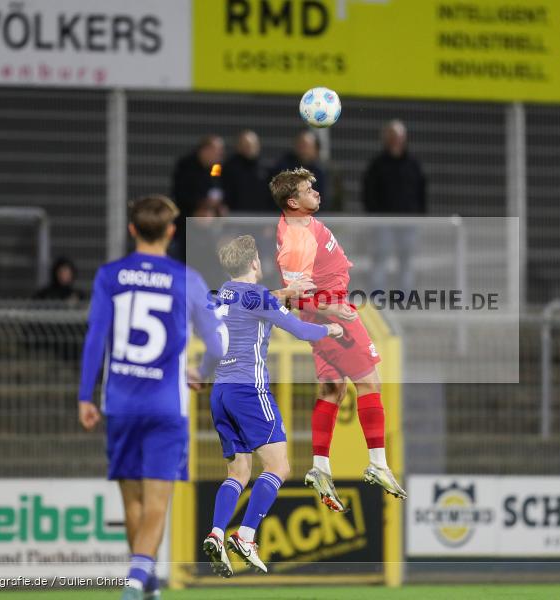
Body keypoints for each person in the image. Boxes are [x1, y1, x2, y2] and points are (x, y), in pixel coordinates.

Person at [77, 195, 228, 600]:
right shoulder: (187, 279)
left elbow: (95, 338)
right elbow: (215, 343)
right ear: (171, 232)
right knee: (159, 501)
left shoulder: (110, 275)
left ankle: (148, 585)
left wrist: (84, 396)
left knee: (134, 502)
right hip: (166, 404)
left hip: (121, 403)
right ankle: (134, 585)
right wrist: (204, 372)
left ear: (131, 230)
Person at [200, 235, 343, 577]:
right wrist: (332, 329)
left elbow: (252, 306)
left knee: (238, 472)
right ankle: (246, 536)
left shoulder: (219, 295)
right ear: (254, 264)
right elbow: (300, 331)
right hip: (250, 389)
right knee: (279, 468)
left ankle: (216, 533)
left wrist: (284, 295)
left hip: (220, 392)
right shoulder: (259, 296)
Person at [271, 167, 407, 512]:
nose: (315, 193)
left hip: (331, 310)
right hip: (333, 317)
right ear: (292, 201)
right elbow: (293, 296)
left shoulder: (302, 226)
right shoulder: (295, 242)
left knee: (333, 389)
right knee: (370, 383)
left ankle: (320, 467)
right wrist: (334, 312)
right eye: (307, 190)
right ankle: (377, 464)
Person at [362, 119, 427, 293]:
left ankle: (404, 299)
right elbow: (369, 191)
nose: (395, 140)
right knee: (380, 259)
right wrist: (374, 214)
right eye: (391, 136)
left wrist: (419, 213)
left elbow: (421, 190)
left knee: (406, 261)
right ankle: (377, 298)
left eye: (398, 136)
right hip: (383, 221)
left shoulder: (413, 164)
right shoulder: (377, 165)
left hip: (408, 221)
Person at [169, 135, 226, 261]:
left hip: (209, 226)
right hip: (186, 225)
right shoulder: (186, 166)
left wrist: (218, 206)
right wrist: (199, 206)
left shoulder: (215, 168)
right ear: (205, 150)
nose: (219, 156)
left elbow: (217, 185)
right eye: (216, 152)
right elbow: (181, 194)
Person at [271, 131, 331, 210]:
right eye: (300, 145)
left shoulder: (323, 172)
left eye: (307, 146)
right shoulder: (284, 169)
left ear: (316, 149)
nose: (303, 150)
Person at [221, 130, 273, 213]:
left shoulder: (268, 167)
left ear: (258, 145)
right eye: (245, 145)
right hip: (235, 216)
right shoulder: (229, 167)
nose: (249, 148)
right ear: (238, 146)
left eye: (252, 145)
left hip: (262, 217)